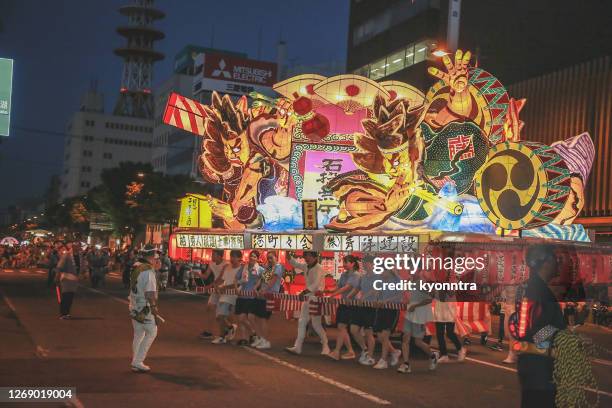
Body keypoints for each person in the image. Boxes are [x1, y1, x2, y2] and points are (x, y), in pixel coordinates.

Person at [517, 244, 566, 407]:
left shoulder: (534, 287)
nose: (558, 264)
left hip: (534, 366)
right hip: (539, 369)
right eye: (555, 259)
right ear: (546, 262)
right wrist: (559, 332)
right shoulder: (538, 291)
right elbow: (535, 334)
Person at [285, 251, 330, 356]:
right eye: (305, 256)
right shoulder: (306, 266)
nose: (306, 258)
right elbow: (296, 264)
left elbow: (316, 284)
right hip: (308, 297)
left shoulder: (319, 268)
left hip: (316, 298)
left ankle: (325, 344)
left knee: (316, 324)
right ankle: (298, 346)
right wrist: (289, 257)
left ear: (314, 257)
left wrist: (304, 292)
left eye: (309, 256)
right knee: (302, 321)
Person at [129, 244, 162, 373]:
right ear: (152, 256)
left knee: (138, 334)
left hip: (134, 305)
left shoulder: (136, 266)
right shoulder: (148, 271)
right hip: (144, 307)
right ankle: (138, 361)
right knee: (152, 332)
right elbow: (149, 293)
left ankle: (135, 360)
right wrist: (154, 309)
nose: (156, 258)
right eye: (155, 256)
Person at [397, 272, 439, 373]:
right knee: (405, 338)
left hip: (419, 315)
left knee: (418, 342)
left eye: (414, 269)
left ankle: (433, 356)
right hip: (410, 314)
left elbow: (429, 299)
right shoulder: (411, 282)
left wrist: (415, 306)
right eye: (410, 269)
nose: (411, 272)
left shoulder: (422, 283)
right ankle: (406, 364)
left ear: (419, 271)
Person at [327, 255, 361, 361]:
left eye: (346, 262)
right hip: (344, 303)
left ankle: (338, 351)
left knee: (344, 327)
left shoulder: (356, 275)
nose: (344, 264)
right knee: (341, 327)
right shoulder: (344, 274)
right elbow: (339, 286)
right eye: (344, 262)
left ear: (353, 263)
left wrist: (333, 295)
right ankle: (349, 351)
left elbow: (348, 287)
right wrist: (328, 291)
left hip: (352, 304)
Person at [251, 251, 284, 349]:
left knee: (263, 318)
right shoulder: (268, 267)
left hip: (270, 296)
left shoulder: (278, 267)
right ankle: (261, 338)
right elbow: (261, 279)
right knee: (256, 317)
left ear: (276, 258)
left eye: (271, 258)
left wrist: (263, 290)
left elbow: (273, 281)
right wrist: (255, 288)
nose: (269, 260)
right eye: (268, 258)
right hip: (262, 295)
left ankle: (265, 340)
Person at [372, 267, 402, 369]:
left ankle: (383, 360)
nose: (380, 273)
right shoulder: (380, 280)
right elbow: (377, 293)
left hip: (392, 310)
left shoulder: (397, 279)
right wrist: (376, 299)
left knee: (385, 335)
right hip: (381, 310)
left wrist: (387, 301)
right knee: (380, 336)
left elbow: (400, 296)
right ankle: (394, 352)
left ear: (388, 270)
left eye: (382, 271)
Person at [351, 255, 378, 365]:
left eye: (367, 263)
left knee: (368, 333)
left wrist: (364, 298)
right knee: (353, 329)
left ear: (372, 264)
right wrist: (349, 297)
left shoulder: (377, 277)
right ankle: (365, 350)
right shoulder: (363, 277)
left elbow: (375, 291)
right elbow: (357, 288)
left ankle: (370, 357)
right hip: (361, 306)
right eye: (364, 263)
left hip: (371, 308)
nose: (365, 265)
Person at [211, 250, 241, 344]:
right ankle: (230, 327)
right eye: (231, 256)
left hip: (233, 295)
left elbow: (238, 284)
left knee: (221, 316)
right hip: (224, 294)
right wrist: (217, 286)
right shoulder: (227, 267)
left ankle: (222, 336)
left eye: (235, 257)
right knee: (219, 317)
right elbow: (222, 279)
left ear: (240, 258)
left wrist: (224, 287)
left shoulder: (241, 269)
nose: (232, 259)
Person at [234, 251, 263, 346]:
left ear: (257, 259)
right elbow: (235, 278)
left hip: (251, 297)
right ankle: (244, 338)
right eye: (251, 256)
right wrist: (236, 288)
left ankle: (254, 333)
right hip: (241, 295)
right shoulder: (243, 267)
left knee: (244, 318)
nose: (252, 258)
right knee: (240, 319)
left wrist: (257, 289)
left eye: (254, 256)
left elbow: (265, 280)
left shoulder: (260, 270)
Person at [433, 285, 466, 363]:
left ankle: (460, 349)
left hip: (449, 308)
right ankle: (444, 355)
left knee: (449, 332)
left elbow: (451, 293)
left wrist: (443, 286)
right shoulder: (436, 279)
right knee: (439, 333)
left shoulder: (451, 279)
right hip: (439, 307)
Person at [200, 250, 228, 339]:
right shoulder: (212, 263)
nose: (212, 256)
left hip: (224, 289)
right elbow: (206, 275)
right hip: (216, 287)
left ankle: (226, 330)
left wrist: (209, 286)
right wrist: (198, 274)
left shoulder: (226, 264)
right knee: (209, 308)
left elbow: (221, 278)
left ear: (220, 256)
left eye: (214, 255)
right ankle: (209, 331)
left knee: (221, 314)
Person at [55, 243, 79, 319]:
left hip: (74, 279)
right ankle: (63, 313)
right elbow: (60, 266)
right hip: (66, 278)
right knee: (66, 296)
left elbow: (82, 266)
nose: (78, 248)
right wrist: (57, 276)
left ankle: (67, 313)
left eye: (79, 246)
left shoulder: (79, 256)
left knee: (70, 297)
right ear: (73, 247)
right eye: (76, 246)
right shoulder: (67, 255)